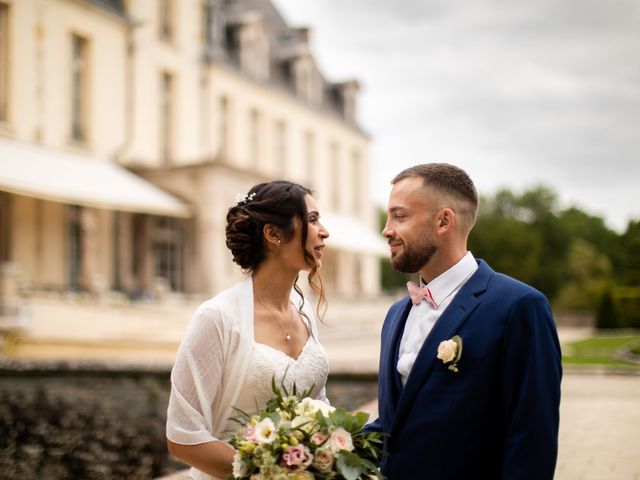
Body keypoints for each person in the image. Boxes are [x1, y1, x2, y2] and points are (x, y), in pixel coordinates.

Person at [368, 163, 562, 479]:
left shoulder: (519, 307)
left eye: (399, 216)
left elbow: (532, 439)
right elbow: (397, 423)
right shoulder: (395, 316)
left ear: (444, 221)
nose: (386, 229)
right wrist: (316, 448)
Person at [166, 180, 330, 480]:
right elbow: (182, 437)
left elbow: (317, 407)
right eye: (312, 220)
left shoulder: (305, 315)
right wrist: (271, 472)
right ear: (273, 234)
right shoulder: (217, 318)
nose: (324, 231)